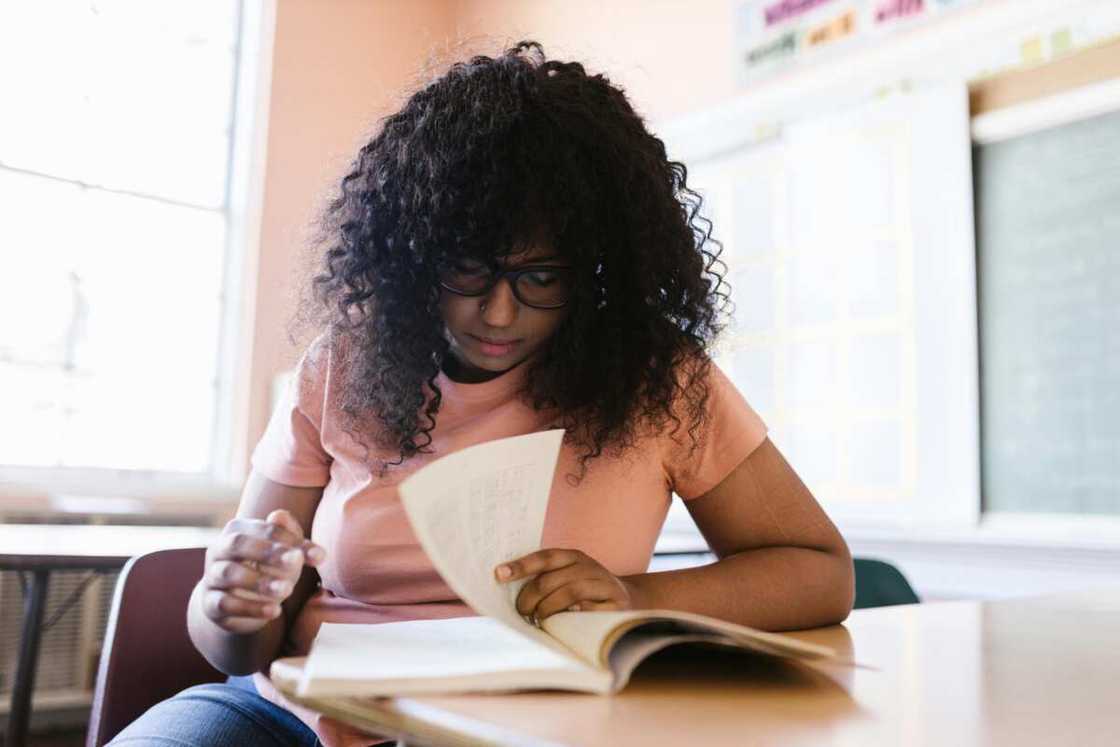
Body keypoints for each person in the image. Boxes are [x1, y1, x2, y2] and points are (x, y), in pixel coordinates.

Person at [109, 40, 853, 747]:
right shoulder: (341, 366)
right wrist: (234, 603)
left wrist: (636, 597)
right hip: (300, 710)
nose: (499, 313)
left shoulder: (658, 378)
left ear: (597, 269)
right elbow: (239, 647)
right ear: (415, 254)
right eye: (469, 268)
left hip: (529, 722)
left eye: (541, 277)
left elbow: (820, 570)